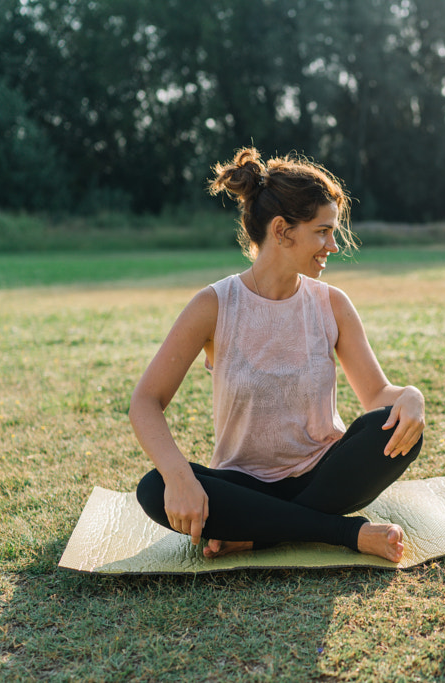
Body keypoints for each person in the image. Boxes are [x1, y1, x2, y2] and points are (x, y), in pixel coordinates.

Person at [129, 147, 424, 562]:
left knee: (392, 430)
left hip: (322, 477)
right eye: (322, 231)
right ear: (283, 230)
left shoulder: (332, 304)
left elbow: (377, 396)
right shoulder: (214, 305)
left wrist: (411, 395)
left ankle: (259, 531)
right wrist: (178, 476)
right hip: (241, 485)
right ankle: (343, 532)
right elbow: (145, 402)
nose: (333, 245)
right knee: (154, 488)